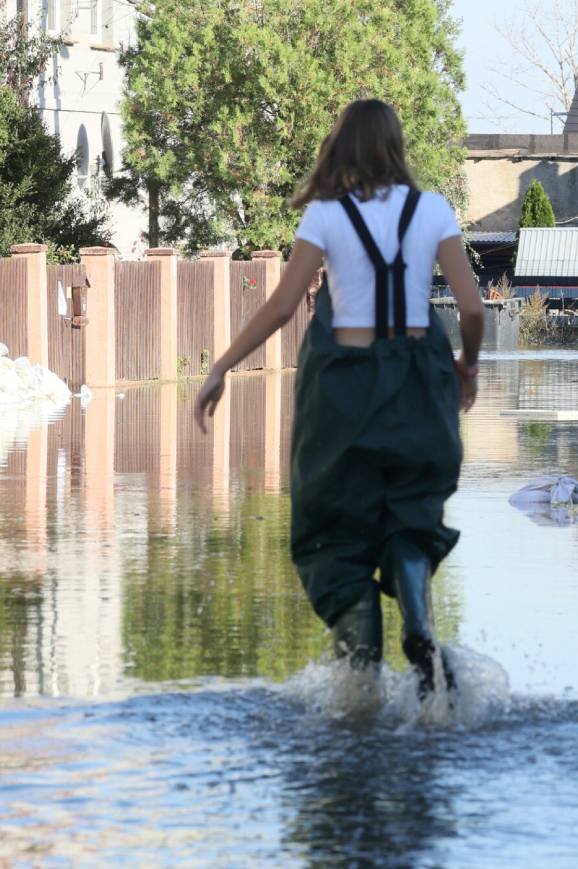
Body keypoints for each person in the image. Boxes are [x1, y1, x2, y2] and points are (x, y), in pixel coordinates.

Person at [193, 99, 484, 698]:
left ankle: (360, 679)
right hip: (420, 383)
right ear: (396, 146)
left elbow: (282, 306)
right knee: (412, 513)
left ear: (342, 146)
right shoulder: (432, 209)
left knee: (336, 525)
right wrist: (469, 366)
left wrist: (221, 367)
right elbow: (473, 309)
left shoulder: (325, 215)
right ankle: (420, 623)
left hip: (343, 389)